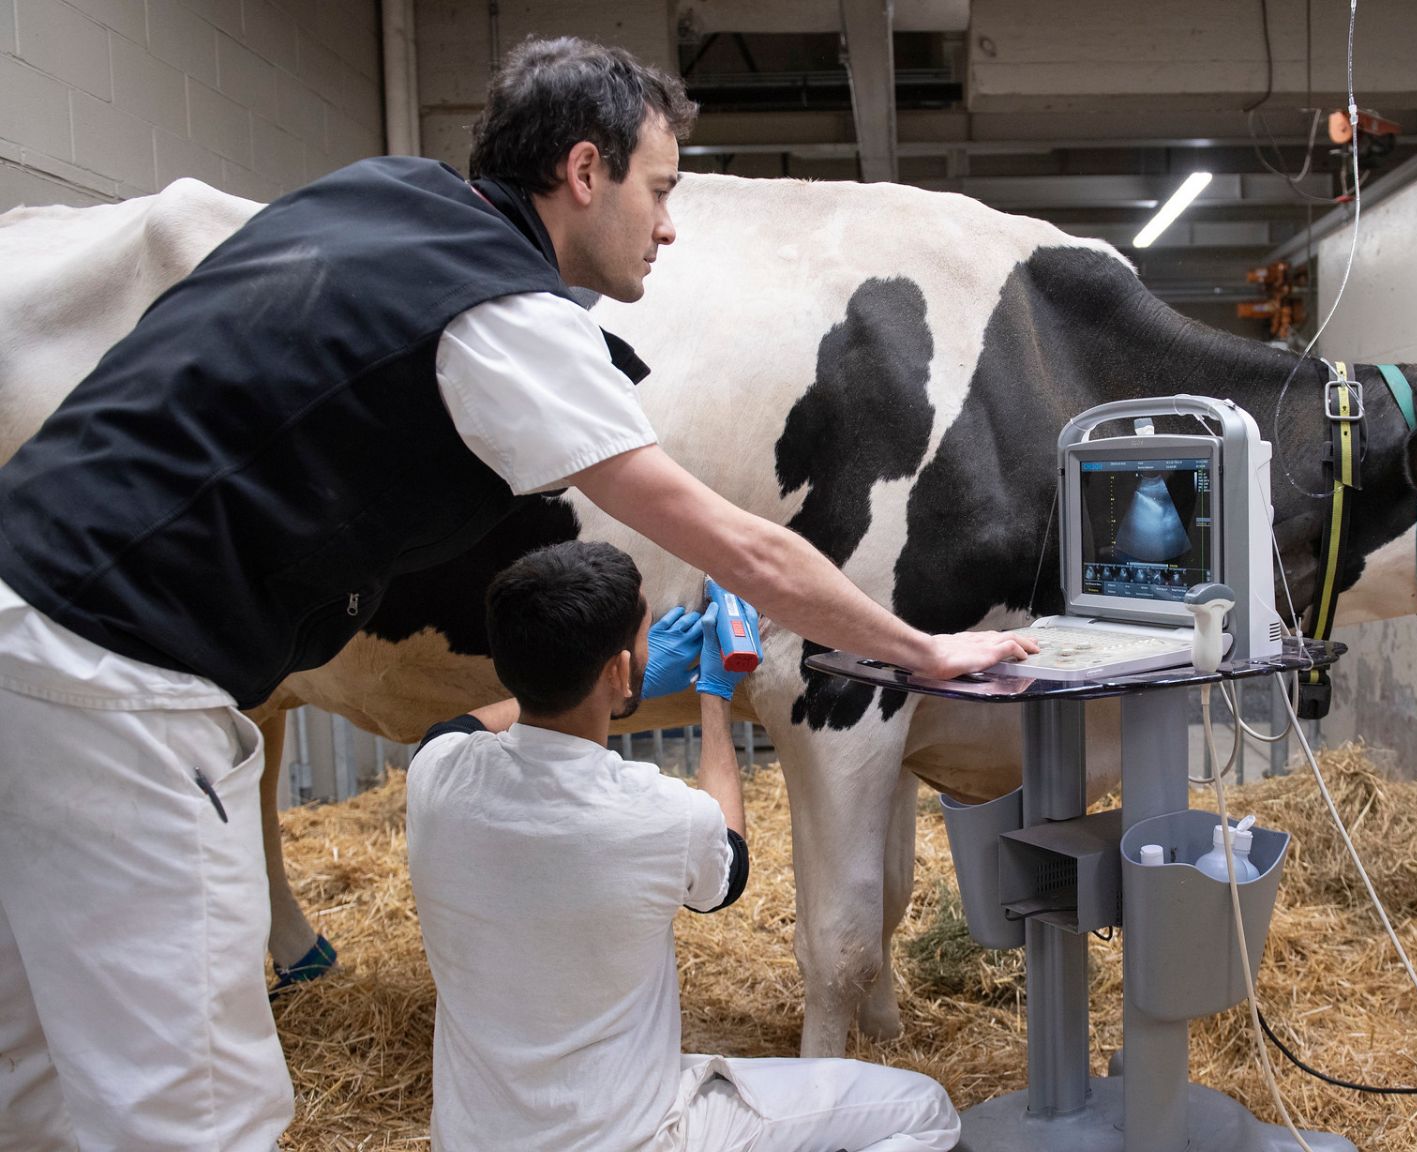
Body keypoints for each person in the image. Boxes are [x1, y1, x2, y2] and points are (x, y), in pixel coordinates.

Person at [0, 36, 1030, 1152]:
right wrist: (926, 653)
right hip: (120, 677)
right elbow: (745, 548)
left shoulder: (387, 190)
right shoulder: (503, 318)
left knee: (36, 1071)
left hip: (20, 610)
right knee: (195, 1113)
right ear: (584, 174)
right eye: (659, 189)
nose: (670, 224)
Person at [409, 542, 960, 1152]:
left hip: (472, 1139)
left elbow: (458, 727)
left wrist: (616, 685)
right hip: (633, 1136)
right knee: (925, 1109)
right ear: (617, 671)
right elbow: (729, 866)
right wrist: (714, 696)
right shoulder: (652, 814)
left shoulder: (438, 775)